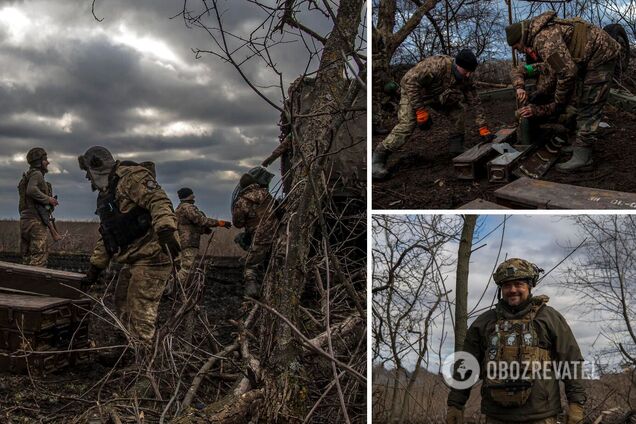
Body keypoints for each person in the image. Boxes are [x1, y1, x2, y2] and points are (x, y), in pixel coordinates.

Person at [446, 258, 586, 424]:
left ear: (529, 286)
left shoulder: (549, 318)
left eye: (518, 284)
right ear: (501, 289)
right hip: (496, 416)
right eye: (506, 285)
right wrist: (456, 404)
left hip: (541, 416)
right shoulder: (485, 322)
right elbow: (466, 365)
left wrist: (576, 405)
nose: (512, 290)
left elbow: (571, 361)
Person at [79, 146, 180, 346]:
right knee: (122, 300)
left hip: (153, 256)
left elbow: (159, 201)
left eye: (87, 173)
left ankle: (143, 365)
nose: (88, 178)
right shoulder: (109, 193)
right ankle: (126, 348)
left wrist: (166, 230)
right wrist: (95, 268)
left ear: (96, 167)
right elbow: (108, 234)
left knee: (140, 309)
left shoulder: (132, 178)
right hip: (135, 257)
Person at [506, 11, 620, 171]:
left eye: (518, 48)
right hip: (586, 59)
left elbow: (567, 73)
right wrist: (519, 87)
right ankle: (579, 146)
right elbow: (522, 70)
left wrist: (557, 105)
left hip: (600, 56)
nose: (522, 51)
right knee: (580, 100)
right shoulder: (544, 55)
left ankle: (583, 157)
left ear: (522, 39)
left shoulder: (543, 40)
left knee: (589, 103)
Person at [372, 49, 494, 180]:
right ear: (458, 65)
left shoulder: (466, 76)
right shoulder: (435, 66)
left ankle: (456, 147)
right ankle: (379, 158)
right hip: (412, 91)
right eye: (466, 71)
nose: (469, 75)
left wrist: (483, 127)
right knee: (407, 124)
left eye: (471, 72)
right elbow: (410, 83)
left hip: (435, 94)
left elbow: (475, 101)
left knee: (458, 111)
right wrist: (420, 111)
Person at [231, 167, 279, 298]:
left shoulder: (242, 200)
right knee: (272, 264)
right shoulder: (266, 195)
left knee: (251, 267)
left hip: (259, 237)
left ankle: (251, 294)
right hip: (277, 235)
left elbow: (238, 223)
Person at [174, 187, 232, 285]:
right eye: (192, 194)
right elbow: (201, 220)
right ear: (189, 195)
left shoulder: (179, 208)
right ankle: (169, 288)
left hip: (182, 241)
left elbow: (190, 225)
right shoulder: (188, 207)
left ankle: (176, 290)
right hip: (189, 242)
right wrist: (220, 223)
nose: (194, 196)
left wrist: (203, 230)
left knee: (183, 266)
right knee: (187, 268)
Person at [18, 147, 59, 267]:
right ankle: (34, 285)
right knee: (39, 258)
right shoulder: (37, 174)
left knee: (27, 257)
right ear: (39, 162)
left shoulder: (27, 176)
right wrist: (49, 199)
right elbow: (31, 190)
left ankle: (23, 284)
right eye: (45, 159)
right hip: (35, 221)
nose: (48, 162)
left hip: (25, 221)